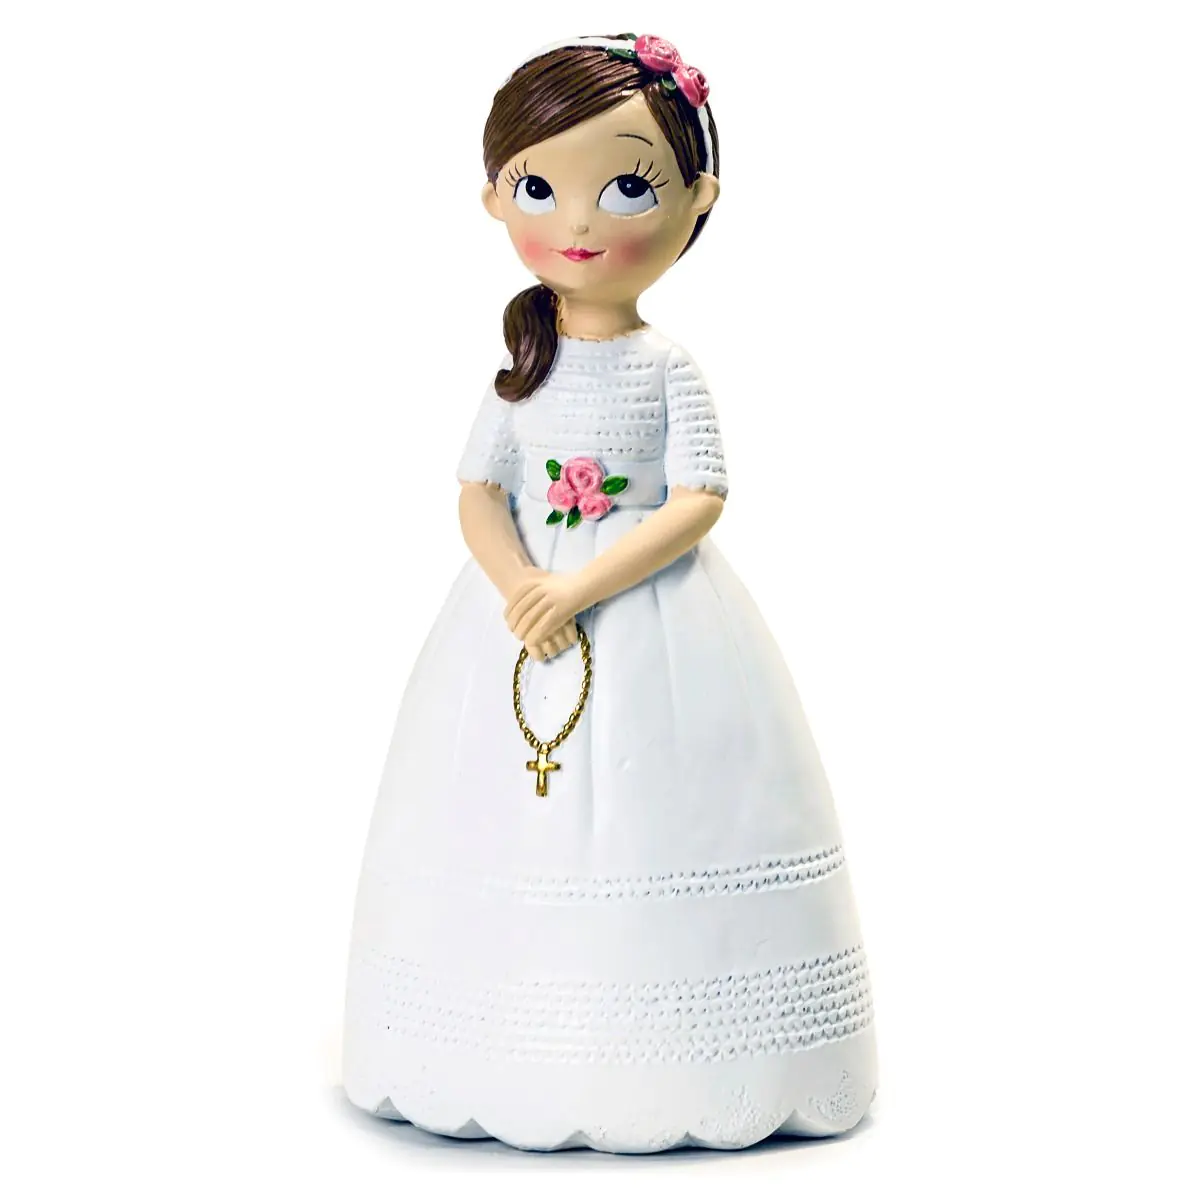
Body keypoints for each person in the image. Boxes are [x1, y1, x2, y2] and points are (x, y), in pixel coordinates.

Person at [343, 33, 877, 1153]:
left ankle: (693, 1055)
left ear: (697, 201)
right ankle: (489, 1044)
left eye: (628, 186)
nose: (579, 220)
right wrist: (520, 586)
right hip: (523, 614)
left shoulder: (666, 368)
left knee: (670, 805)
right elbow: (478, 492)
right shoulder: (521, 374)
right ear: (495, 198)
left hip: (653, 614)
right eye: (539, 187)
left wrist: (582, 584)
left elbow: (698, 499)